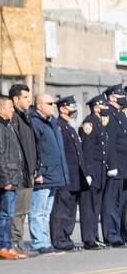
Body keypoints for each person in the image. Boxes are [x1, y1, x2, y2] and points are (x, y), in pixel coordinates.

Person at [28, 92, 68, 255]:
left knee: (46, 211)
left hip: (55, 173)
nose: (53, 106)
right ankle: (39, 243)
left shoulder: (51, 122)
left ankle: (45, 241)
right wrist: (37, 171)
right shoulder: (35, 123)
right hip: (44, 173)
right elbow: (34, 149)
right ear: (39, 106)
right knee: (37, 211)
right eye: (50, 104)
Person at [0, 94, 27, 260]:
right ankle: (0, 246)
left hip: (14, 175)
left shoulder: (8, 125)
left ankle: (7, 245)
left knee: (8, 214)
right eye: (10, 107)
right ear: (0, 109)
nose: (13, 110)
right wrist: (5, 179)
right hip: (6, 178)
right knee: (3, 214)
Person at [52, 95, 89, 252]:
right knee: (62, 208)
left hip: (75, 175)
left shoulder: (69, 126)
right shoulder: (59, 125)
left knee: (71, 209)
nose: (74, 110)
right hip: (65, 175)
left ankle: (66, 237)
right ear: (62, 109)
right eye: (71, 107)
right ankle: (59, 239)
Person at [8, 83, 38, 255]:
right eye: (25, 97)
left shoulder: (26, 117)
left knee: (23, 210)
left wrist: (35, 167)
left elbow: (33, 145)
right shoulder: (14, 118)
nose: (28, 100)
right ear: (15, 99)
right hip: (18, 173)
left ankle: (19, 242)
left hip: (29, 172)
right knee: (17, 211)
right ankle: (14, 243)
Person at [79, 93, 109, 249]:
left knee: (95, 207)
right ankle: (88, 239)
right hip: (92, 172)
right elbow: (86, 150)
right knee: (88, 207)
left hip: (100, 173)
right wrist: (88, 173)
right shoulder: (89, 124)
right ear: (96, 107)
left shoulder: (98, 123)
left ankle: (94, 236)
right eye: (104, 106)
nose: (106, 108)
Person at [101, 85, 127, 246]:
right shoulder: (108, 114)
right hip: (116, 166)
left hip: (125, 166)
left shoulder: (120, 114)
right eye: (120, 95)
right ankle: (111, 235)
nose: (124, 97)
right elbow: (109, 143)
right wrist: (111, 165)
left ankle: (121, 233)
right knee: (112, 202)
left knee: (122, 203)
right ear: (111, 97)